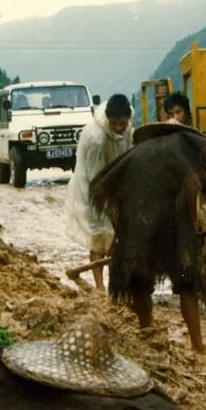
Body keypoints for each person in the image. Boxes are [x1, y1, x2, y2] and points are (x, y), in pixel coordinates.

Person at [89, 123, 206, 353]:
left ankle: (147, 335)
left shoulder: (134, 154)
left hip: (137, 228)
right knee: (186, 282)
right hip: (174, 231)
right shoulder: (186, 144)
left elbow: (108, 193)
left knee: (139, 279)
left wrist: (121, 233)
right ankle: (198, 345)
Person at [65, 94, 134, 289]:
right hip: (91, 186)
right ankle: (99, 287)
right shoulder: (96, 138)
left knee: (115, 236)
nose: (119, 127)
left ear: (128, 116)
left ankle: (115, 285)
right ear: (107, 118)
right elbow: (97, 179)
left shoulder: (128, 127)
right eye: (114, 123)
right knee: (99, 236)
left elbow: (128, 155)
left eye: (122, 123)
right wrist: (108, 205)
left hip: (116, 181)